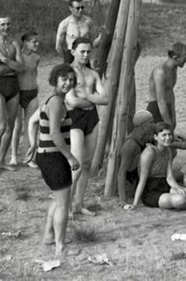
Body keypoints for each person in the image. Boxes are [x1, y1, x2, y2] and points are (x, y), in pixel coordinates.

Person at [36, 64, 81, 257]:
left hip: (48, 155)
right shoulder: (55, 102)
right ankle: (60, 247)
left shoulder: (53, 98)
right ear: (56, 79)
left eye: (71, 79)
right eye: (64, 79)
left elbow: (41, 124)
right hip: (53, 157)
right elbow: (54, 132)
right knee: (64, 203)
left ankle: (48, 235)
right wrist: (70, 157)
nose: (68, 83)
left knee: (58, 198)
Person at [65, 37, 109, 217]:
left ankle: (78, 203)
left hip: (92, 117)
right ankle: (65, 205)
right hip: (75, 119)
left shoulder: (93, 74)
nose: (85, 55)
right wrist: (91, 97)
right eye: (82, 51)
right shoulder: (68, 72)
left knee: (87, 164)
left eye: (88, 51)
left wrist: (86, 96)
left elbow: (105, 99)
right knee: (76, 164)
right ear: (73, 51)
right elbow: (72, 101)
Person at [0, 16, 24, 175]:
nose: (6, 27)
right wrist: (13, 66)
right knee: (0, 126)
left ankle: (1, 161)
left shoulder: (15, 43)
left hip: (13, 85)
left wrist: (6, 60)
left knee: (11, 126)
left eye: (8, 24)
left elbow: (22, 66)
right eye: (3, 24)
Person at [9, 31, 41, 167]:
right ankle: (13, 156)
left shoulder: (36, 57)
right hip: (18, 93)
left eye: (37, 41)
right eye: (34, 42)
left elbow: (34, 73)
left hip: (32, 93)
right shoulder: (17, 57)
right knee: (17, 126)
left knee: (31, 126)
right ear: (26, 43)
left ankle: (29, 158)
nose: (37, 44)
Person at [116, 110, 157, 203]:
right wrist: (122, 200)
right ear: (143, 126)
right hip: (134, 182)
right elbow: (121, 173)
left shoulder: (145, 136)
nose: (154, 125)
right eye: (151, 122)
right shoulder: (130, 145)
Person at [146, 42, 186, 128]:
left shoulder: (174, 69)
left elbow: (170, 91)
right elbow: (160, 101)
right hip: (156, 109)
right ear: (175, 57)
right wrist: (168, 123)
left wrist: (173, 116)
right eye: (185, 57)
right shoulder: (160, 72)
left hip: (167, 106)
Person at [55, 0, 100, 65]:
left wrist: (101, 37)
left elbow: (94, 42)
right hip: (71, 55)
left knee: (88, 75)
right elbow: (58, 47)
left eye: (82, 7)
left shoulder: (88, 21)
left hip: (85, 54)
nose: (80, 10)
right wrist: (66, 57)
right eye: (77, 8)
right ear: (71, 8)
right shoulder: (65, 24)